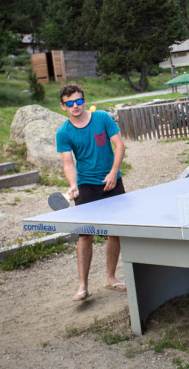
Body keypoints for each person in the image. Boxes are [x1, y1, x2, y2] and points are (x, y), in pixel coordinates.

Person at [56, 84, 127, 301]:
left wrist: (113, 173)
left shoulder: (102, 118)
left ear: (84, 101)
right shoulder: (63, 133)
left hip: (112, 181)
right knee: (85, 234)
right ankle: (82, 286)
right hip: (86, 185)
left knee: (116, 231)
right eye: (70, 103)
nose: (75, 106)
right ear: (63, 106)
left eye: (78, 101)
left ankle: (110, 278)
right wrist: (73, 184)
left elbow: (120, 146)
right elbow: (68, 163)